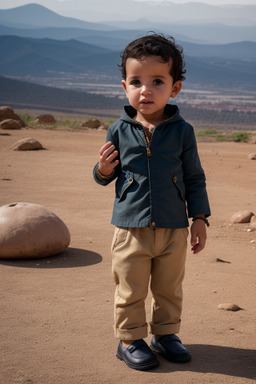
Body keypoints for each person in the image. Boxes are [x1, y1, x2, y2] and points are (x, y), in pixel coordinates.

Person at [93, 33, 211, 371]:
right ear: (124, 86)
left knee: (169, 288)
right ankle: (129, 339)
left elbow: (194, 178)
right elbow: (105, 175)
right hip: (131, 227)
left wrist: (199, 218)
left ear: (174, 89)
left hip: (174, 227)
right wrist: (102, 170)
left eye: (157, 81)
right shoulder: (118, 130)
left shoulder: (182, 131)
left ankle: (165, 334)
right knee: (130, 288)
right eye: (136, 81)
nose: (146, 89)